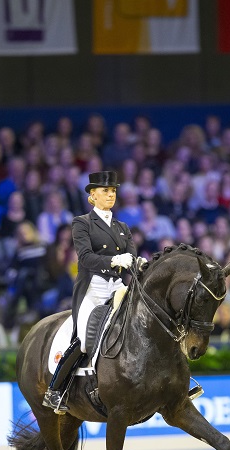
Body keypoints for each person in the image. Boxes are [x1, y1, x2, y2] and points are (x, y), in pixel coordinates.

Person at [43, 170, 140, 413]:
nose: (110, 195)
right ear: (92, 196)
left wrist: (139, 263)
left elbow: (133, 255)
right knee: (85, 340)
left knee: (145, 325)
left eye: (113, 191)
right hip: (93, 288)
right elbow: (85, 258)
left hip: (117, 287)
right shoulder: (82, 223)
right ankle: (55, 391)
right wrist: (115, 260)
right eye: (105, 191)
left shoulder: (122, 226)